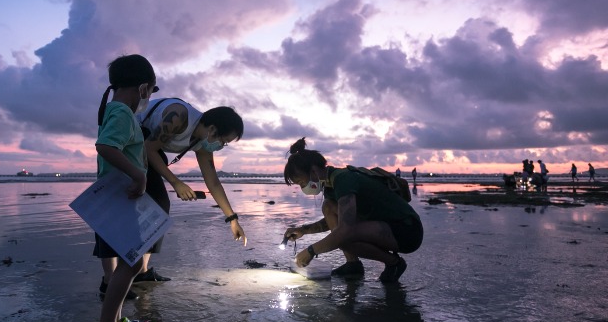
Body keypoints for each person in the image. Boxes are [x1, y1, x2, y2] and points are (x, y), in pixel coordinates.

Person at [282, 138, 423, 283]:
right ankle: (353, 264)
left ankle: (394, 263)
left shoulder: (343, 180)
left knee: (343, 237)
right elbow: (337, 220)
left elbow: (345, 230)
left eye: (301, 182)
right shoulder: (330, 186)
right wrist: (303, 230)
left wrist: (311, 251)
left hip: (407, 230)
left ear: (313, 170)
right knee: (329, 207)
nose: (303, 187)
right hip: (384, 227)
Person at [90, 54, 158, 322]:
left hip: (119, 196)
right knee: (131, 263)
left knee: (131, 262)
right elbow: (105, 146)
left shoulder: (116, 111)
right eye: (151, 92)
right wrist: (138, 176)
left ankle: (116, 321)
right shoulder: (120, 112)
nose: (149, 98)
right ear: (143, 88)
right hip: (120, 197)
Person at [137, 98, 248, 261]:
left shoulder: (202, 142)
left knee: (159, 206)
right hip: (128, 139)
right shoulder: (179, 116)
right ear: (212, 129)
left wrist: (232, 219)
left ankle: (141, 270)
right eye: (223, 141)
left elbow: (214, 183)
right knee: (158, 204)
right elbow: (148, 149)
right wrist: (176, 183)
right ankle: (123, 270)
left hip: (148, 150)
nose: (220, 146)